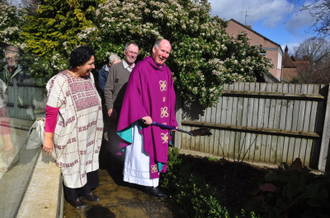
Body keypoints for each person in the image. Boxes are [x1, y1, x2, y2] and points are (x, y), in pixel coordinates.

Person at [43, 46, 103, 209]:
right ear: (78, 64)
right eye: (90, 63)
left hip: (89, 132)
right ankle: (72, 196)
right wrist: (48, 139)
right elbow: (51, 111)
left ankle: (85, 189)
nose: (93, 67)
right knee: (72, 162)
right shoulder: (60, 81)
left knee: (86, 159)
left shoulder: (89, 77)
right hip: (71, 134)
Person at [116, 39, 177, 198]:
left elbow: (171, 98)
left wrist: (172, 122)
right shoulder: (141, 68)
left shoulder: (167, 72)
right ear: (154, 49)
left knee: (158, 150)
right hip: (147, 122)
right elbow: (132, 94)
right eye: (162, 51)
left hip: (161, 123)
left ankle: (154, 184)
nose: (164, 55)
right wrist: (142, 115)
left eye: (167, 53)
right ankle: (150, 185)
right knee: (145, 154)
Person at [104, 42, 139, 170]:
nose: (133, 55)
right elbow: (108, 89)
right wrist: (110, 107)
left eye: (135, 53)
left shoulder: (139, 69)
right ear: (125, 52)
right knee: (116, 142)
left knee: (130, 143)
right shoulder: (116, 68)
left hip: (133, 113)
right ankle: (115, 171)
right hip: (117, 111)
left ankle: (128, 170)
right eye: (131, 52)